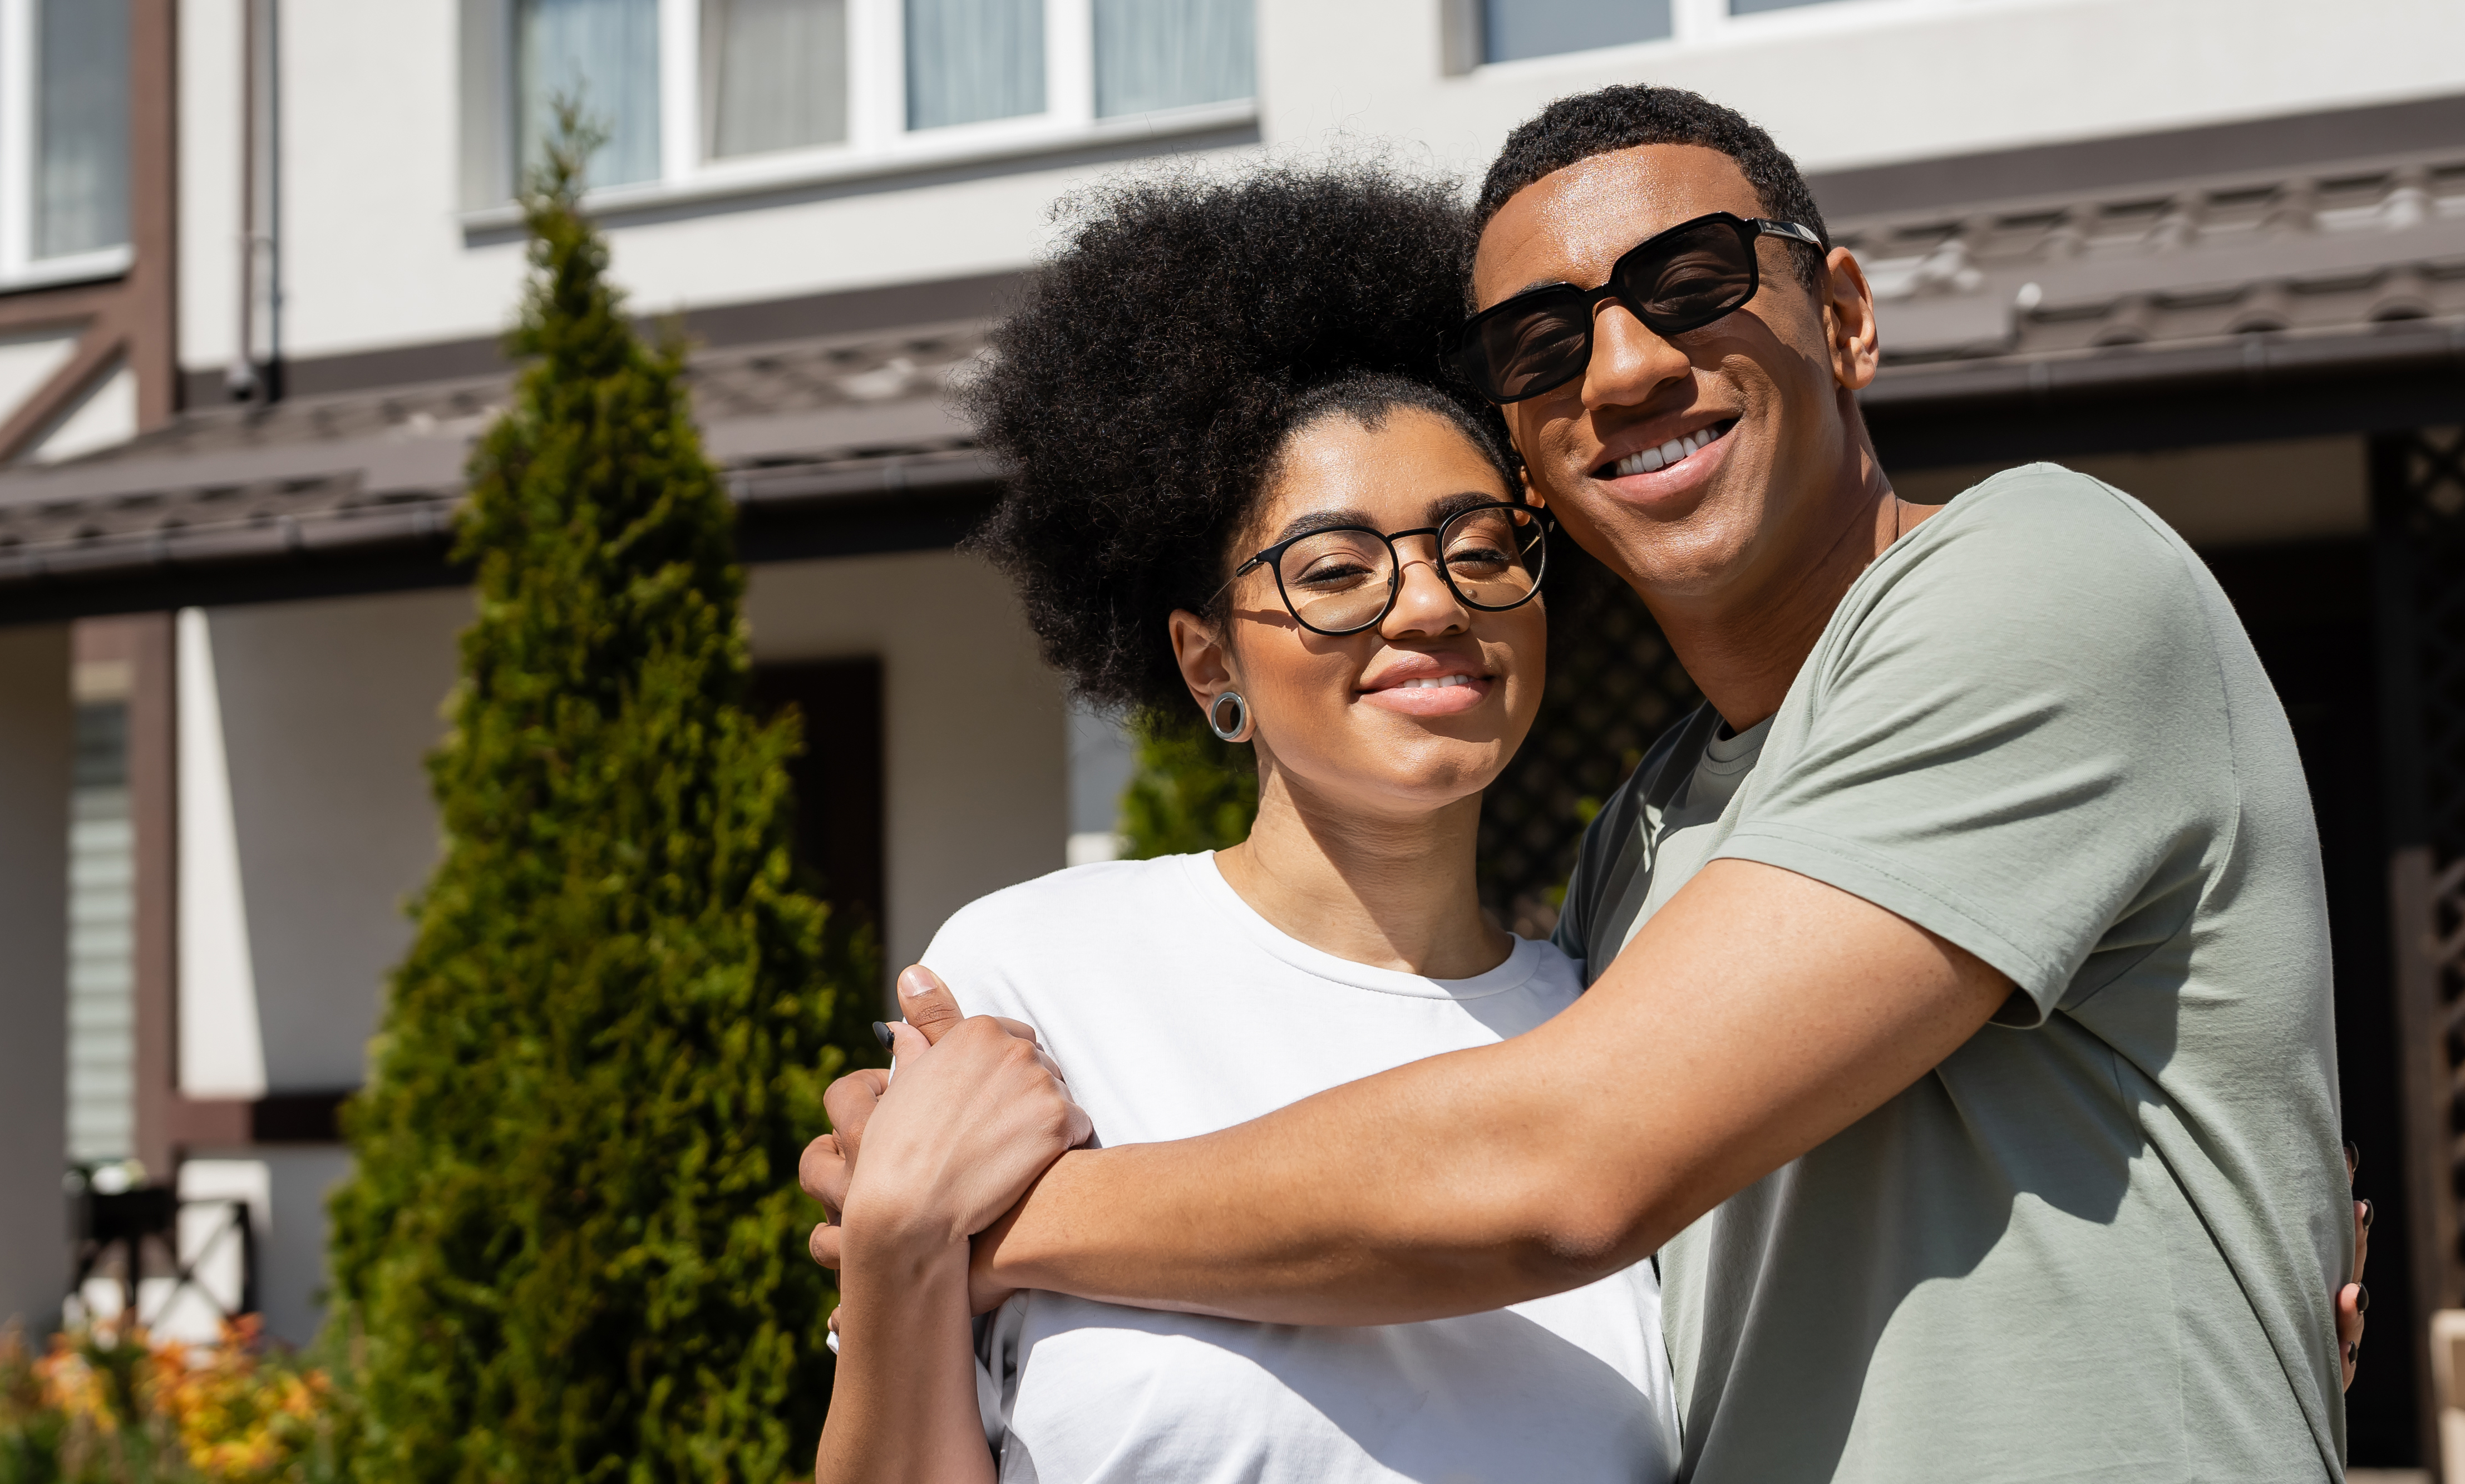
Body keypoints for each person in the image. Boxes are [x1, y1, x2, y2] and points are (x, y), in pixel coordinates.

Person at [814, 86, 2369, 1481]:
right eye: (1542, 345)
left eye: (1688, 283)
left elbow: (1561, 1168)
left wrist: (973, 1223)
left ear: (1842, 316)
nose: (1621, 366)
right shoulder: (1638, 858)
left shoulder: (2041, 577)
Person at [814, 166, 1680, 1484]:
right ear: (1210, 663)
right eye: (1334, 568)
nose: (1430, 604)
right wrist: (895, 1238)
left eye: (1482, 547)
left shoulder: (1626, 1037)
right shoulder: (1035, 980)